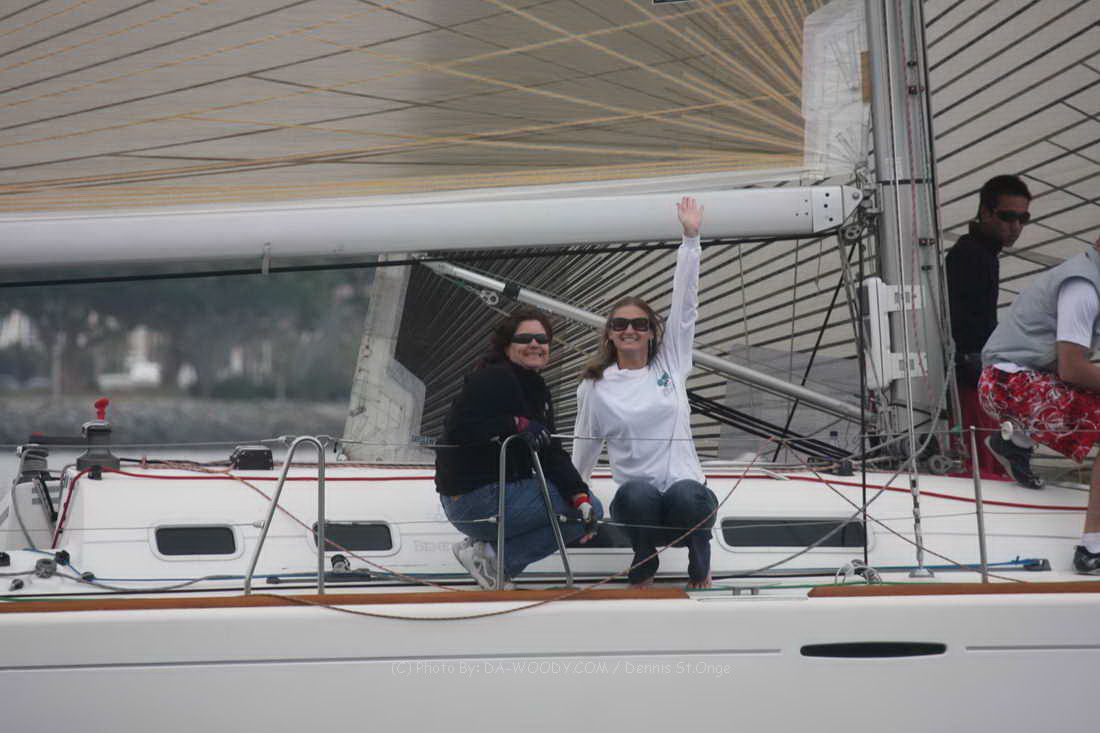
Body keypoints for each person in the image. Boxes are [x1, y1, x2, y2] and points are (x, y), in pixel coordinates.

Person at [572, 196, 718, 589]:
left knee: (687, 494)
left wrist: (691, 240)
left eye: (640, 324)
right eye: (620, 324)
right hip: (639, 510)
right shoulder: (596, 386)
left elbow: (685, 305)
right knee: (636, 492)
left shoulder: (671, 362)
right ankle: (644, 556)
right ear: (609, 333)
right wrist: (574, 496)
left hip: (687, 503)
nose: (630, 330)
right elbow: (584, 446)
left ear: (653, 332)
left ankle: (700, 555)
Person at [436, 308, 602, 589]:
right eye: (525, 339)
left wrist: (579, 494)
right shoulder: (494, 377)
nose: (535, 344)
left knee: (586, 510)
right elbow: (458, 428)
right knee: (589, 509)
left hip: (483, 500)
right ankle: (493, 560)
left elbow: (550, 451)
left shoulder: (535, 387)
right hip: (475, 498)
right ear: (507, 346)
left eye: (542, 339)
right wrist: (514, 423)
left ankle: (486, 554)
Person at [980, 233, 1100, 573]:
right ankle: (1092, 548)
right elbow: (1072, 367)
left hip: (1017, 377)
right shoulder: (1083, 288)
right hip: (1007, 382)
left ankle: (1014, 442)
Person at [945, 174, 1039, 486]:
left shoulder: (980, 252)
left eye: (1023, 218)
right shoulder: (972, 254)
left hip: (974, 373)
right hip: (970, 378)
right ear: (985, 212)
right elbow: (966, 325)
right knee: (982, 464)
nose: (1016, 226)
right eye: (1008, 217)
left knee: (984, 459)